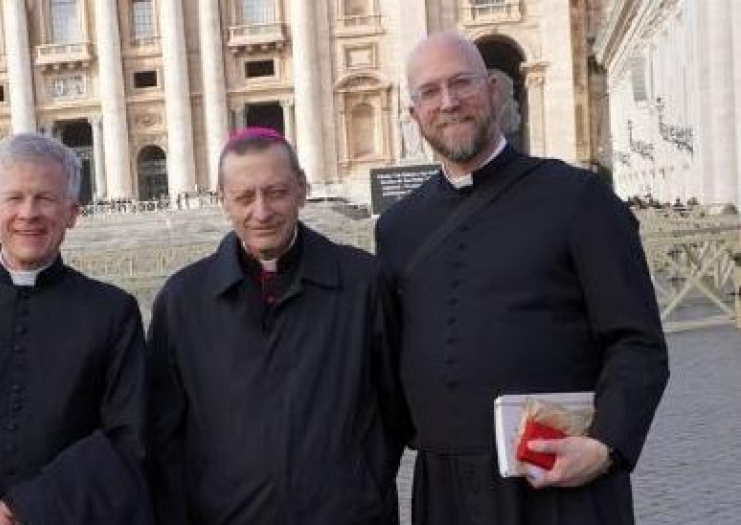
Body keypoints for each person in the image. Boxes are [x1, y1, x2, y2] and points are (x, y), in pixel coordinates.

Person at [374, 31, 669, 525]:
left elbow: (637, 342)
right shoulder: (398, 227)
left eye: (461, 83)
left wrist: (606, 444)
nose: (448, 103)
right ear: (413, 114)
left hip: (561, 479)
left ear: (492, 89)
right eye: (429, 92)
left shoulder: (579, 199)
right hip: (447, 489)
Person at [147, 128, 407, 525]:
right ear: (223, 202)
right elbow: (165, 435)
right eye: (245, 197)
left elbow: (395, 408)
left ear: (302, 189)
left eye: (277, 192)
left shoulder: (363, 283)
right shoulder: (182, 300)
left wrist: (362, 486)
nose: (262, 212)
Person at [0, 133, 150, 525]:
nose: (28, 213)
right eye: (14, 198)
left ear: (72, 212)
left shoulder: (112, 311)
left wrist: (24, 509)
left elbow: (125, 436)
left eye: (45, 198)